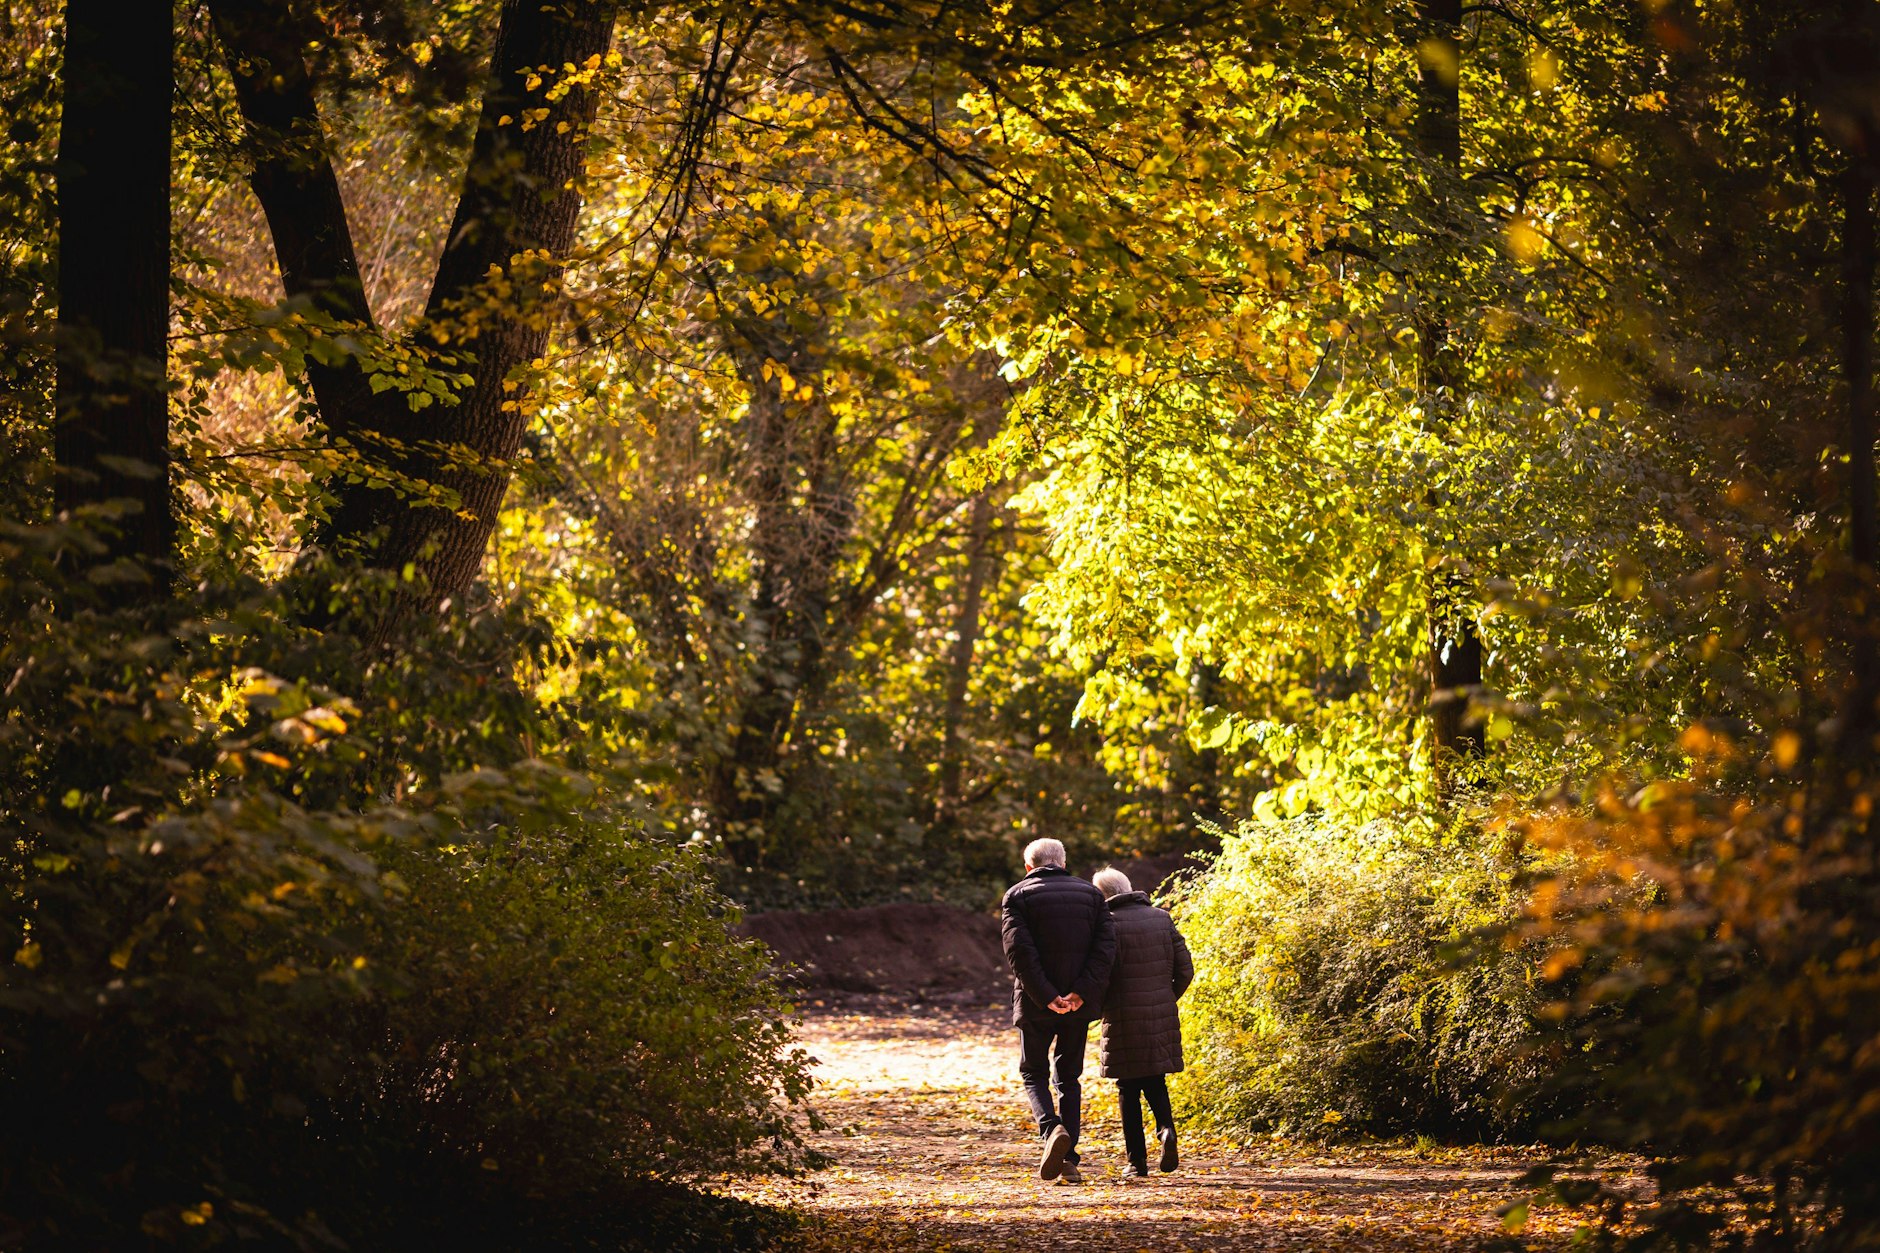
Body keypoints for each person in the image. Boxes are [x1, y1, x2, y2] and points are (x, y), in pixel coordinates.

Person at [1000, 838, 1117, 1185]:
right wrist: (1080, 992)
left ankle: (1052, 1130)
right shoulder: (1092, 896)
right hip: (1077, 1006)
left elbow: (1019, 952)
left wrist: (1047, 995)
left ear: (1028, 867)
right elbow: (1105, 948)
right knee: (1068, 1077)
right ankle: (1069, 1160)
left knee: (1033, 1072)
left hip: (1035, 1003)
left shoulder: (1017, 896)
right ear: (1064, 862)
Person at [1091, 866, 1194, 1181]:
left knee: (1128, 1087)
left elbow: (1100, 973)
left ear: (1103, 895)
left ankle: (1137, 1163)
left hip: (1122, 1015)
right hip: (1160, 1011)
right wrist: (1165, 998)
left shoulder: (1106, 924)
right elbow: (1186, 969)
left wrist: (1099, 1007)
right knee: (1155, 1079)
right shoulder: (1161, 918)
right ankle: (1166, 1129)